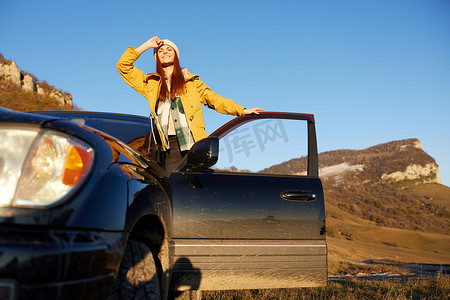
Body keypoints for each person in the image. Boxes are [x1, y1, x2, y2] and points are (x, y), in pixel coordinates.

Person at [117, 36, 264, 173]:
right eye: (160, 51)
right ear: (156, 57)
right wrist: (147, 45)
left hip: (194, 144)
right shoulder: (151, 84)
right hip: (170, 148)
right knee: (176, 191)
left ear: (176, 55)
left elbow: (215, 100)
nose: (165, 52)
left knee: (199, 191)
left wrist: (241, 110)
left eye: (169, 49)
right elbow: (123, 66)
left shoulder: (191, 82)